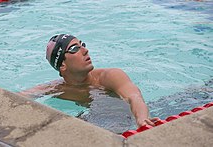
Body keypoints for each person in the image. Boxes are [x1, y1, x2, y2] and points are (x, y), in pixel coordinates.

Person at [18, 34, 159, 128]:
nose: (85, 50)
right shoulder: (57, 89)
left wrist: (141, 118)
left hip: (124, 121)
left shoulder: (109, 76)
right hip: (96, 122)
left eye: (82, 45)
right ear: (62, 65)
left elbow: (134, 97)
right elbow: (17, 98)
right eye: (75, 48)